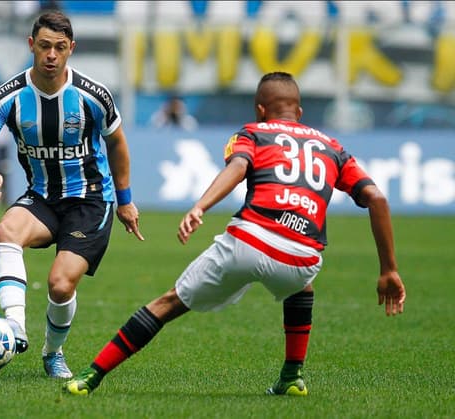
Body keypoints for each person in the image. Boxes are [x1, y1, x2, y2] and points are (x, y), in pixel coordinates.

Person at [63, 72, 406, 396]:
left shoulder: (253, 132)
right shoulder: (332, 147)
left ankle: (92, 375)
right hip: (303, 258)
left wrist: (200, 207)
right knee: (303, 283)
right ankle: (292, 376)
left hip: (248, 243)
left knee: (169, 302)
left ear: (260, 109)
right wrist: (388, 269)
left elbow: (238, 167)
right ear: (298, 111)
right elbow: (375, 197)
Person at [0, 11, 144, 379]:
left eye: (60, 48)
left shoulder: (93, 95)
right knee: (5, 230)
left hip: (91, 201)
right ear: (31, 45)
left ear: (71, 49)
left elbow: (118, 145)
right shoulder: (7, 96)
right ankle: (15, 328)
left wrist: (124, 200)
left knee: (60, 284)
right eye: (44, 46)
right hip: (42, 196)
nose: (51, 55)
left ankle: (53, 352)